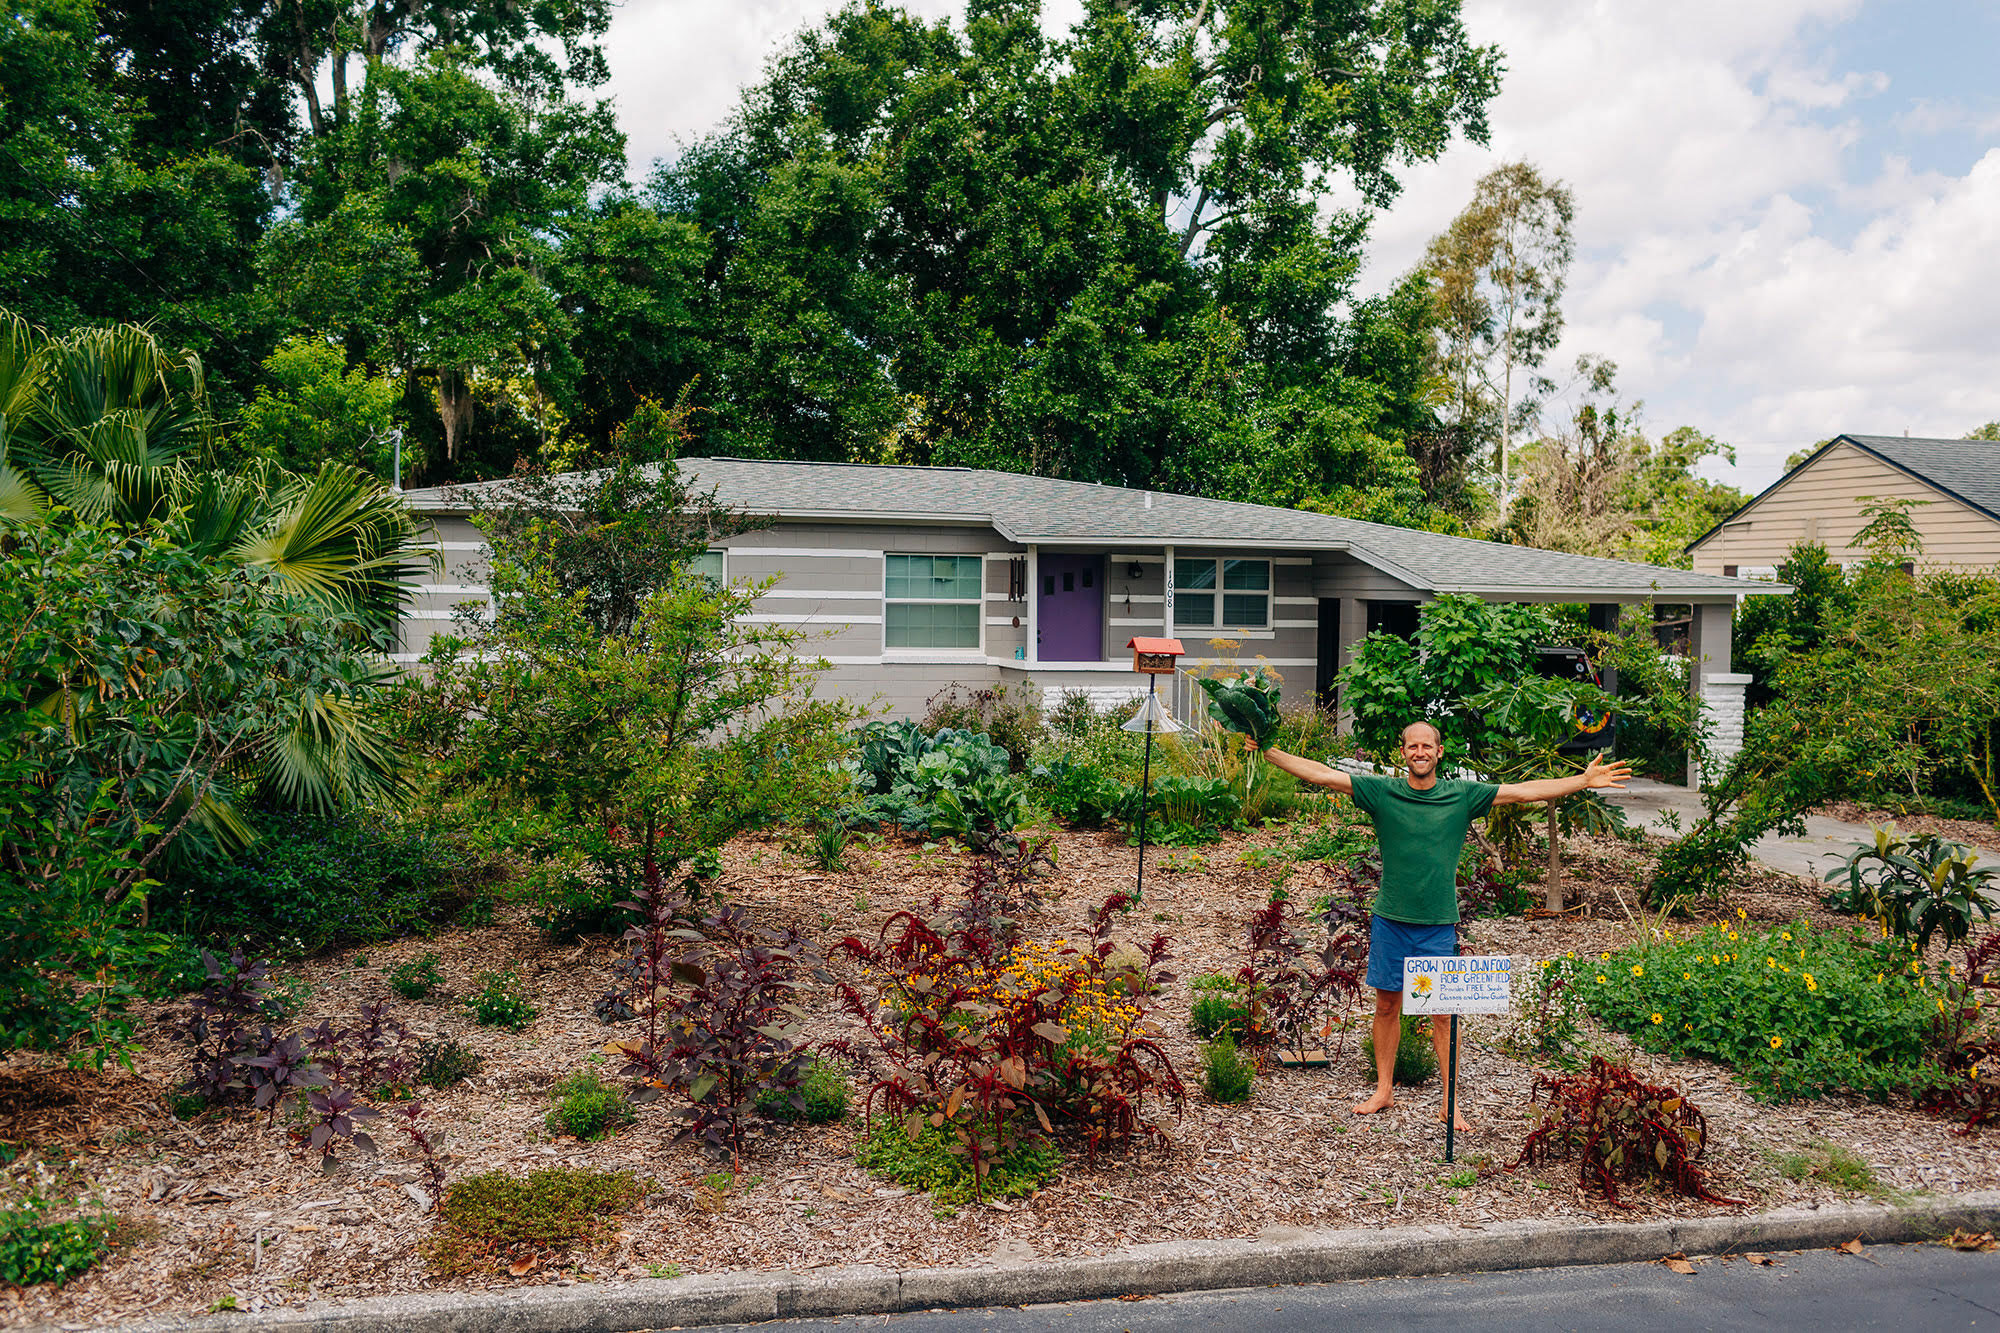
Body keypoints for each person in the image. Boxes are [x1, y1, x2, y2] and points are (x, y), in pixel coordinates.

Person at [1262, 721, 1631, 1129]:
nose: (1419, 752)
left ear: (1439, 753)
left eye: (1427, 746)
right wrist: (1269, 751)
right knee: (1387, 1006)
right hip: (1390, 920)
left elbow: (1522, 790)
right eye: (1412, 746)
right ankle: (1384, 1090)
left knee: (1443, 1015)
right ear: (1402, 752)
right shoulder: (1383, 792)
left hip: (1438, 925)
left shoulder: (1462, 795)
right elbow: (1325, 775)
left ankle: (1449, 1103)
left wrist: (1582, 780)